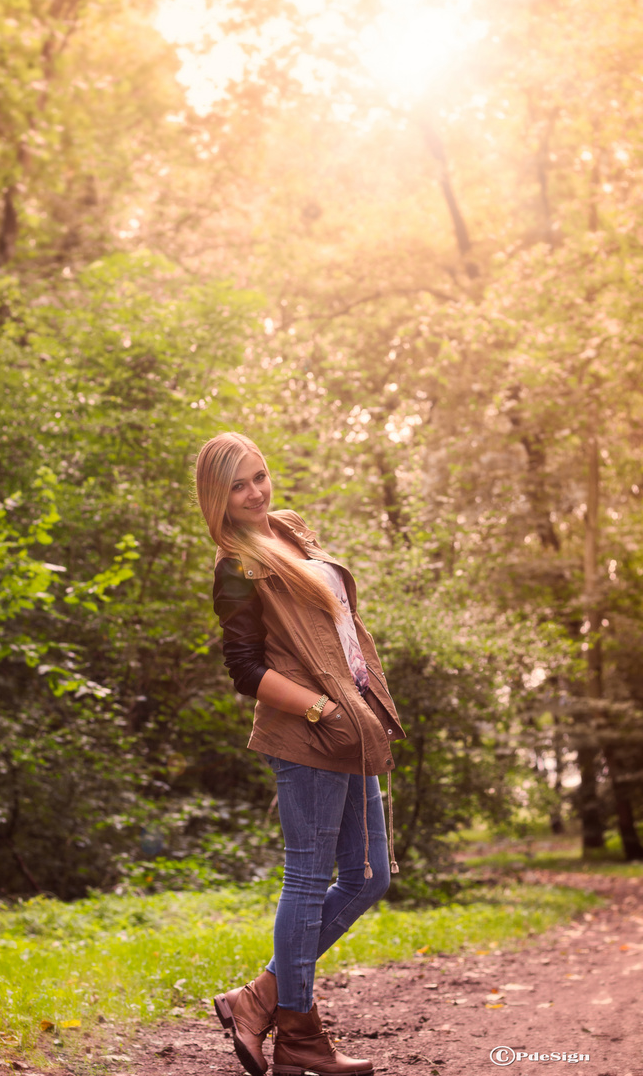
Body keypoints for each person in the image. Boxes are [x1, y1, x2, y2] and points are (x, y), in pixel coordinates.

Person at [195, 431, 406, 1076]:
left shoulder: (289, 532)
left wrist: (356, 709)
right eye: (239, 485)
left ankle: (259, 998)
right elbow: (244, 668)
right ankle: (301, 1034)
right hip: (308, 735)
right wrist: (321, 709)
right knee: (310, 880)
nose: (256, 491)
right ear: (218, 499)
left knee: (371, 875)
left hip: (353, 730)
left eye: (260, 475)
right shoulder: (236, 564)